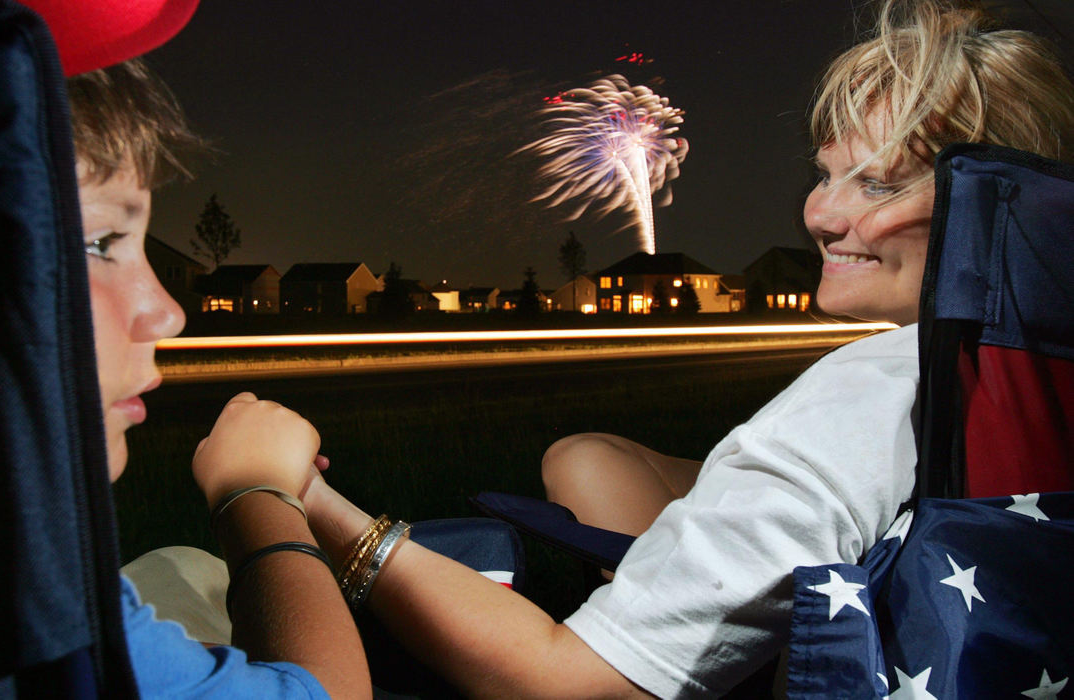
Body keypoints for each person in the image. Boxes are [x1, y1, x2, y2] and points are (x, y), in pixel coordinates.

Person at [286, 0, 1074, 696]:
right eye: (825, 173)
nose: (820, 214)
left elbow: (569, 685)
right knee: (585, 456)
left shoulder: (872, 395)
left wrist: (306, 506)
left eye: (877, 185)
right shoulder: (1025, 373)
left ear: (995, 204)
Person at [67, 52, 371, 698]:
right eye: (99, 244)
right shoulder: (33, 594)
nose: (168, 312)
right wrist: (255, 497)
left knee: (179, 565)